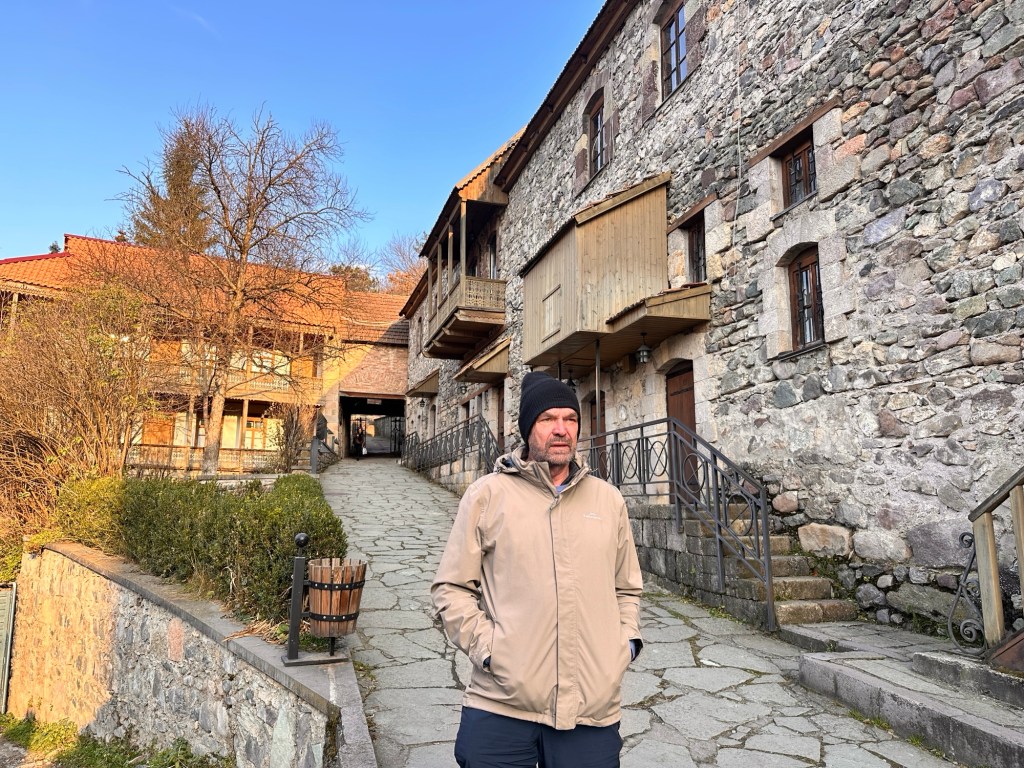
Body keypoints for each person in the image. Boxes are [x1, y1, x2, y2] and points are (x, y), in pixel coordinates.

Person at [432, 371, 643, 768]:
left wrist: (623, 647)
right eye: (548, 419)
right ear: (527, 428)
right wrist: (491, 651)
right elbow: (451, 588)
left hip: (590, 708)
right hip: (501, 702)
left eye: (570, 418)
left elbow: (627, 588)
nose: (561, 429)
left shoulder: (609, 501)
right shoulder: (487, 496)